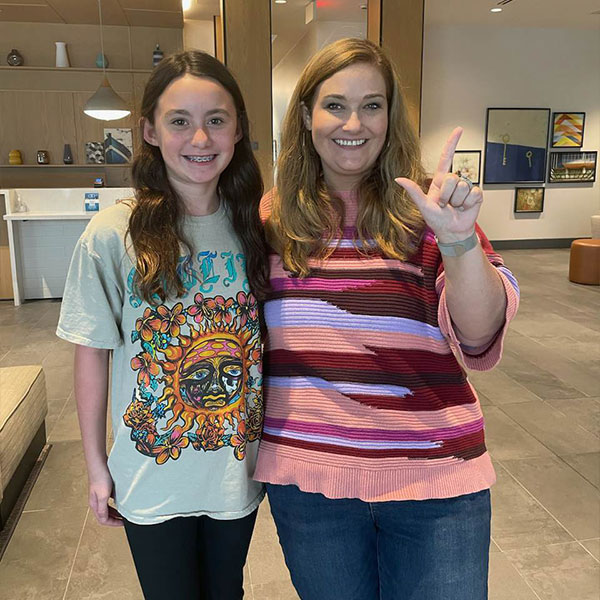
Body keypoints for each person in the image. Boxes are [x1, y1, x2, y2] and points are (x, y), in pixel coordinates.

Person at [254, 38, 520, 600]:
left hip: (437, 485)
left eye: (373, 105)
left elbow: (478, 335)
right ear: (305, 116)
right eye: (335, 105)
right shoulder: (271, 217)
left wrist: (457, 241)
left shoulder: (429, 210)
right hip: (312, 486)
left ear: (391, 116)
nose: (354, 122)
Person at [57, 50, 268, 600]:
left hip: (234, 472)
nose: (200, 138)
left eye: (216, 120)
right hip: (151, 472)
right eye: (180, 121)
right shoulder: (111, 236)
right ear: (149, 130)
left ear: (238, 129)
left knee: (227, 594)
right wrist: (96, 466)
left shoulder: (258, 228)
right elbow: (91, 356)